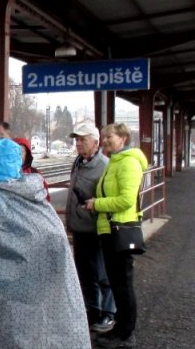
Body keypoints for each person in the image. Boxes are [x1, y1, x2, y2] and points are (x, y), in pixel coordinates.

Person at [0, 139, 90, 348]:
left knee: (10, 327)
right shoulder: (34, 192)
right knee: (38, 326)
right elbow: (43, 234)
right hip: (42, 280)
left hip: (11, 287)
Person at [84, 123, 147, 348]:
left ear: (122, 138)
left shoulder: (128, 163)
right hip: (110, 230)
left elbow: (126, 199)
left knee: (122, 283)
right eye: (103, 137)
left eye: (109, 136)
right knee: (117, 281)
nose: (105, 140)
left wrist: (96, 203)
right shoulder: (115, 162)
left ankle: (125, 333)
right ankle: (121, 327)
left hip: (119, 229)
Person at [65, 122, 116, 333]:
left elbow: (111, 198)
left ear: (96, 143)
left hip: (97, 229)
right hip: (80, 228)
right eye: (76, 140)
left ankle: (108, 312)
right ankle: (92, 309)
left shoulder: (104, 166)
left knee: (102, 273)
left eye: (83, 140)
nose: (78, 144)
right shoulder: (78, 162)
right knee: (85, 273)